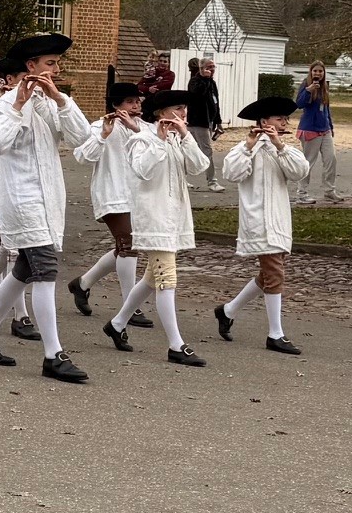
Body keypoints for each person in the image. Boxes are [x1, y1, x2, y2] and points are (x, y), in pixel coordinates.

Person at [0, 35, 100, 381]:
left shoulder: (51, 101)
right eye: (50, 64)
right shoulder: (1, 104)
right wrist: (17, 105)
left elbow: (83, 137)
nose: (56, 69)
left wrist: (60, 100)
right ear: (31, 67)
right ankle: (53, 354)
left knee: (24, 268)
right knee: (45, 270)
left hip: (48, 199)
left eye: (56, 63)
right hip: (21, 200)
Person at [215, 95, 311, 352]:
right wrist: (248, 146)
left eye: (285, 119)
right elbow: (231, 173)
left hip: (279, 218)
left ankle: (227, 310)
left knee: (269, 274)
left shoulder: (284, 148)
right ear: (264, 120)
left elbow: (300, 171)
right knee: (275, 273)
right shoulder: (245, 147)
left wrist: (280, 145)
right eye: (279, 118)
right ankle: (275, 334)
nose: (284, 122)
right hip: (257, 219)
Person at [128, 88, 208, 365]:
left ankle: (116, 324)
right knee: (166, 280)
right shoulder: (142, 138)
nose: (183, 113)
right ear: (161, 113)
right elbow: (143, 171)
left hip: (174, 218)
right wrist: (160, 143)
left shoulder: (179, 138)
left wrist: (185, 136)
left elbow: (200, 166)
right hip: (154, 217)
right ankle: (176, 344)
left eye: (184, 108)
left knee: (152, 278)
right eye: (177, 108)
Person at [69, 81, 147, 347]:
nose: (136, 106)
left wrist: (139, 131)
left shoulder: (144, 127)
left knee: (124, 247)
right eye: (130, 102)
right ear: (116, 106)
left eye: (138, 102)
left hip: (137, 196)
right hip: (111, 195)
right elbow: (82, 157)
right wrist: (103, 135)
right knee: (128, 246)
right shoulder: (98, 126)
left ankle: (82, 283)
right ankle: (130, 304)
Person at [293, 64, 338, 205]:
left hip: (325, 130)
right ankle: (302, 193)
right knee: (308, 162)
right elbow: (299, 104)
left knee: (331, 159)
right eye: (315, 71)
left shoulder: (325, 87)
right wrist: (308, 91)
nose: (317, 73)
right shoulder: (306, 85)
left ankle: (329, 191)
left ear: (324, 73)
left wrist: (330, 125)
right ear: (311, 72)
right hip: (310, 130)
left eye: (320, 71)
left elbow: (326, 108)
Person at [184, 58, 225, 190]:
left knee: (193, 150)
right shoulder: (195, 81)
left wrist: (218, 122)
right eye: (209, 67)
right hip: (197, 122)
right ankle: (212, 181)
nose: (211, 70)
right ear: (202, 69)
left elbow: (215, 103)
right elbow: (198, 94)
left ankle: (184, 179)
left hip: (208, 122)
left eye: (213, 67)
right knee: (205, 151)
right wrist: (205, 79)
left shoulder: (212, 83)